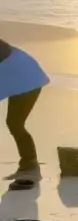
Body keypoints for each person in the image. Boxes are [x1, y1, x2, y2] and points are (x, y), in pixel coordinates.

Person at [0, 39, 50, 178]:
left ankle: (29, 164)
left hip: (28, 80)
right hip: (22, 75)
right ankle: (29, 163)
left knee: (15, 123)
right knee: (14, 123)